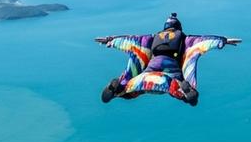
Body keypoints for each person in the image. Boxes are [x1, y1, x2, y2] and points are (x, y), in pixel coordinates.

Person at [97, 13, 237, 106]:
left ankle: (117, 88)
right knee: (186, 97)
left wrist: (110, 40)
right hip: (171, 75)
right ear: (178, 27)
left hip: (147, 73)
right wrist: (222, 41)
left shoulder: (152, 38)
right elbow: (203, 41)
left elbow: (130, 40)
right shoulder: (185, 38)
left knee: (129, 91)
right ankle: (186, 91)